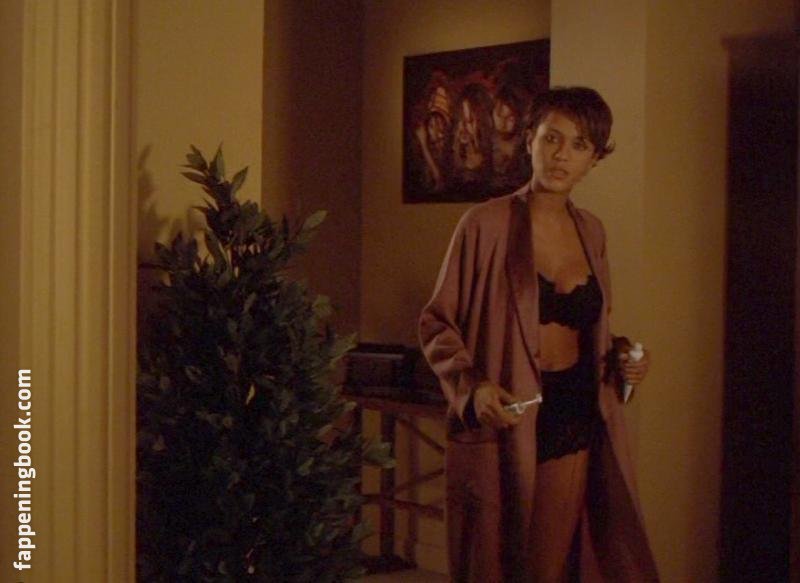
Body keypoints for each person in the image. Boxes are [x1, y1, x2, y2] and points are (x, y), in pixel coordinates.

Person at [419, 86, 659, 582]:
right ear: (530, 139)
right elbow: (437, 322)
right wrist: (471, 387)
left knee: (548, 566)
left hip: (574, 410)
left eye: (579, 145)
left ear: (594, 158)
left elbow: (592, 324)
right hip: (509, 413)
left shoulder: (592, 231)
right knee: (494, 560)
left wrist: (622, 357)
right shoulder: (483, 225)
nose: (561, 155)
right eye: (552, 138)